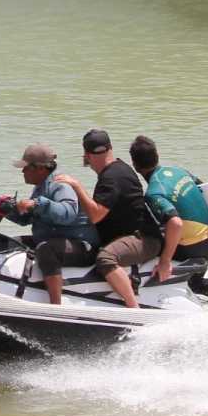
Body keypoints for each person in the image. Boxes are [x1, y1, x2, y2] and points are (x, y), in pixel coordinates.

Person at [53, 128, 160, 309]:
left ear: (86, 155)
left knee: (105, 258)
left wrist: (76, 186)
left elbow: (96, 215)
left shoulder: (111, 177)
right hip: (132, 235)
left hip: (143, 238)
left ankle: (134, 308)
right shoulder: (119, 168)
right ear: (110, 148)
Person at [0, 143, 97, 305]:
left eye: (26, 167)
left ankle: (55, 306)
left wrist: (37, 203)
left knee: (46, 249)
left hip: (83, 247)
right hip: (57, 239)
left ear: (40, 168)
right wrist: (4, 208)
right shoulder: (41, 186)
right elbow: (26, 219)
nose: (22, 171)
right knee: (13, 242)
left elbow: (67, 214)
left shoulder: (60, 184)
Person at [128, 135, 208, 285]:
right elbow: (204, 190)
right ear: (157, 155)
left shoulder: (153, 193)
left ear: (135, 166)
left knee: (145, 245)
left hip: (193, 248)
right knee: (196, 284)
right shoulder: (178, 171)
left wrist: (165, 261)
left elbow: (175, 223)